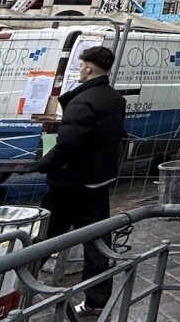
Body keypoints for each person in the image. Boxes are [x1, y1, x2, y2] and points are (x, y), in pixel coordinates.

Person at [35, 46, 126, 317]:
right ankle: (97, 300)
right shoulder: (114, 99)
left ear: (88, 68)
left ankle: (17, 287)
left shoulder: (83, 101)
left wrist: (43, 164)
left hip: (70, 183)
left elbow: (68, 144)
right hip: (98, 181)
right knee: (97, 243)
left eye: (80, 64)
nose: (79, 69)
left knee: (43, 238)